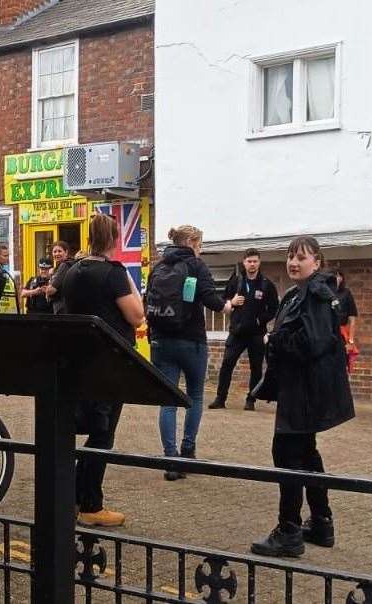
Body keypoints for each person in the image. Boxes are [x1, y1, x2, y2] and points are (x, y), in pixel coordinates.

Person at [251, 236, 355, 558]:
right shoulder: (300, 294)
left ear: (317, 262)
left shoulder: (318, 295)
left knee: (286, 455)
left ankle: (289, 531)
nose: (294, 262)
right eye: (290, 256)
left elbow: (313, 342)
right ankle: (322, 523)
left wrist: (275, 340)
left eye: (302, 257)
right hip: (298, 389)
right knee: (307, 455)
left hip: (304, 392)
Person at [62, 213, 144, 528]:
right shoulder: (113, 273)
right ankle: (91, 506)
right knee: (102, 434)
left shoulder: (72, 271)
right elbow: (137, 316)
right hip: (109, 364)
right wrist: (129, 280)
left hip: (79, 362)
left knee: (87, 430)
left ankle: (71, 498)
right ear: (113, 240)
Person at [146, 226, 232, 480]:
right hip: (191, 340)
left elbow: (146, 303)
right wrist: (227, 306)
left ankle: (170, 459)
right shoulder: (196, 265)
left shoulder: (158, 267)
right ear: (192, 242)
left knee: (168, 401)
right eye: (200, 244)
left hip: (162, 341)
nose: (201, 249)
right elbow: (210, 300)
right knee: (194, 395)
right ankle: (187, 450)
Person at [209, 248, 279, 411]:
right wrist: (231, 301)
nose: (252, 264)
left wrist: (260, 319)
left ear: (259, 263)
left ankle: (251, 400)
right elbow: (222, 299)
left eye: (255, 261)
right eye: (249, 261)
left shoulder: (266, 284)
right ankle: (220, 398)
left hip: (256, 333)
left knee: (256, 367)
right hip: (237, 332)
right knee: (227, 364)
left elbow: (274, 308)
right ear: (244, 262)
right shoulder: (236, 281)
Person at [332, 269, 359, 373]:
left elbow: (352, 319)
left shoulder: (346, 293)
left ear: (342, 278)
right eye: (334, 276)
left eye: (339, 276)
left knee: (340, 366)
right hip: (327, 333)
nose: (336, 278)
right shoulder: (325, 293)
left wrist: (350, 341)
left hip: (341, 334)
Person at [46, 241, 74, 314]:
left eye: (59, 251)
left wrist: (47, 291)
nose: (57, 254)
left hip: (62, 307)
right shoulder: (71, 264)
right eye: (54, 252)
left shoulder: (64, 265)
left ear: (66, 252)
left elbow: (52, 290)